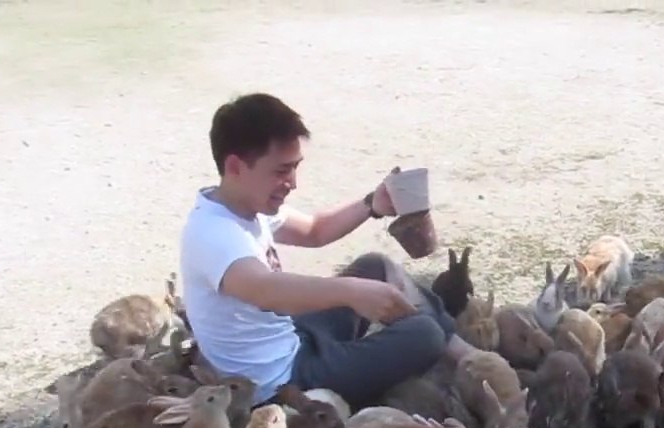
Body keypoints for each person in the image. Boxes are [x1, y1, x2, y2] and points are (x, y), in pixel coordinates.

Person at [177, 92, 473, 410]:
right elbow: (263, 289)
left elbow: (315, 231)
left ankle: (464, 353)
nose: (292, 182)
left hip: (290, 337)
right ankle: (457, 351)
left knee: (375, 265)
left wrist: (372, 204)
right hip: (281, 380)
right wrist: (350, 292)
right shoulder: (213, 233)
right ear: (235, 166)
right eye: (281, 171)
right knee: (424, 334)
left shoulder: (247, 205)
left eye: (295, 168)